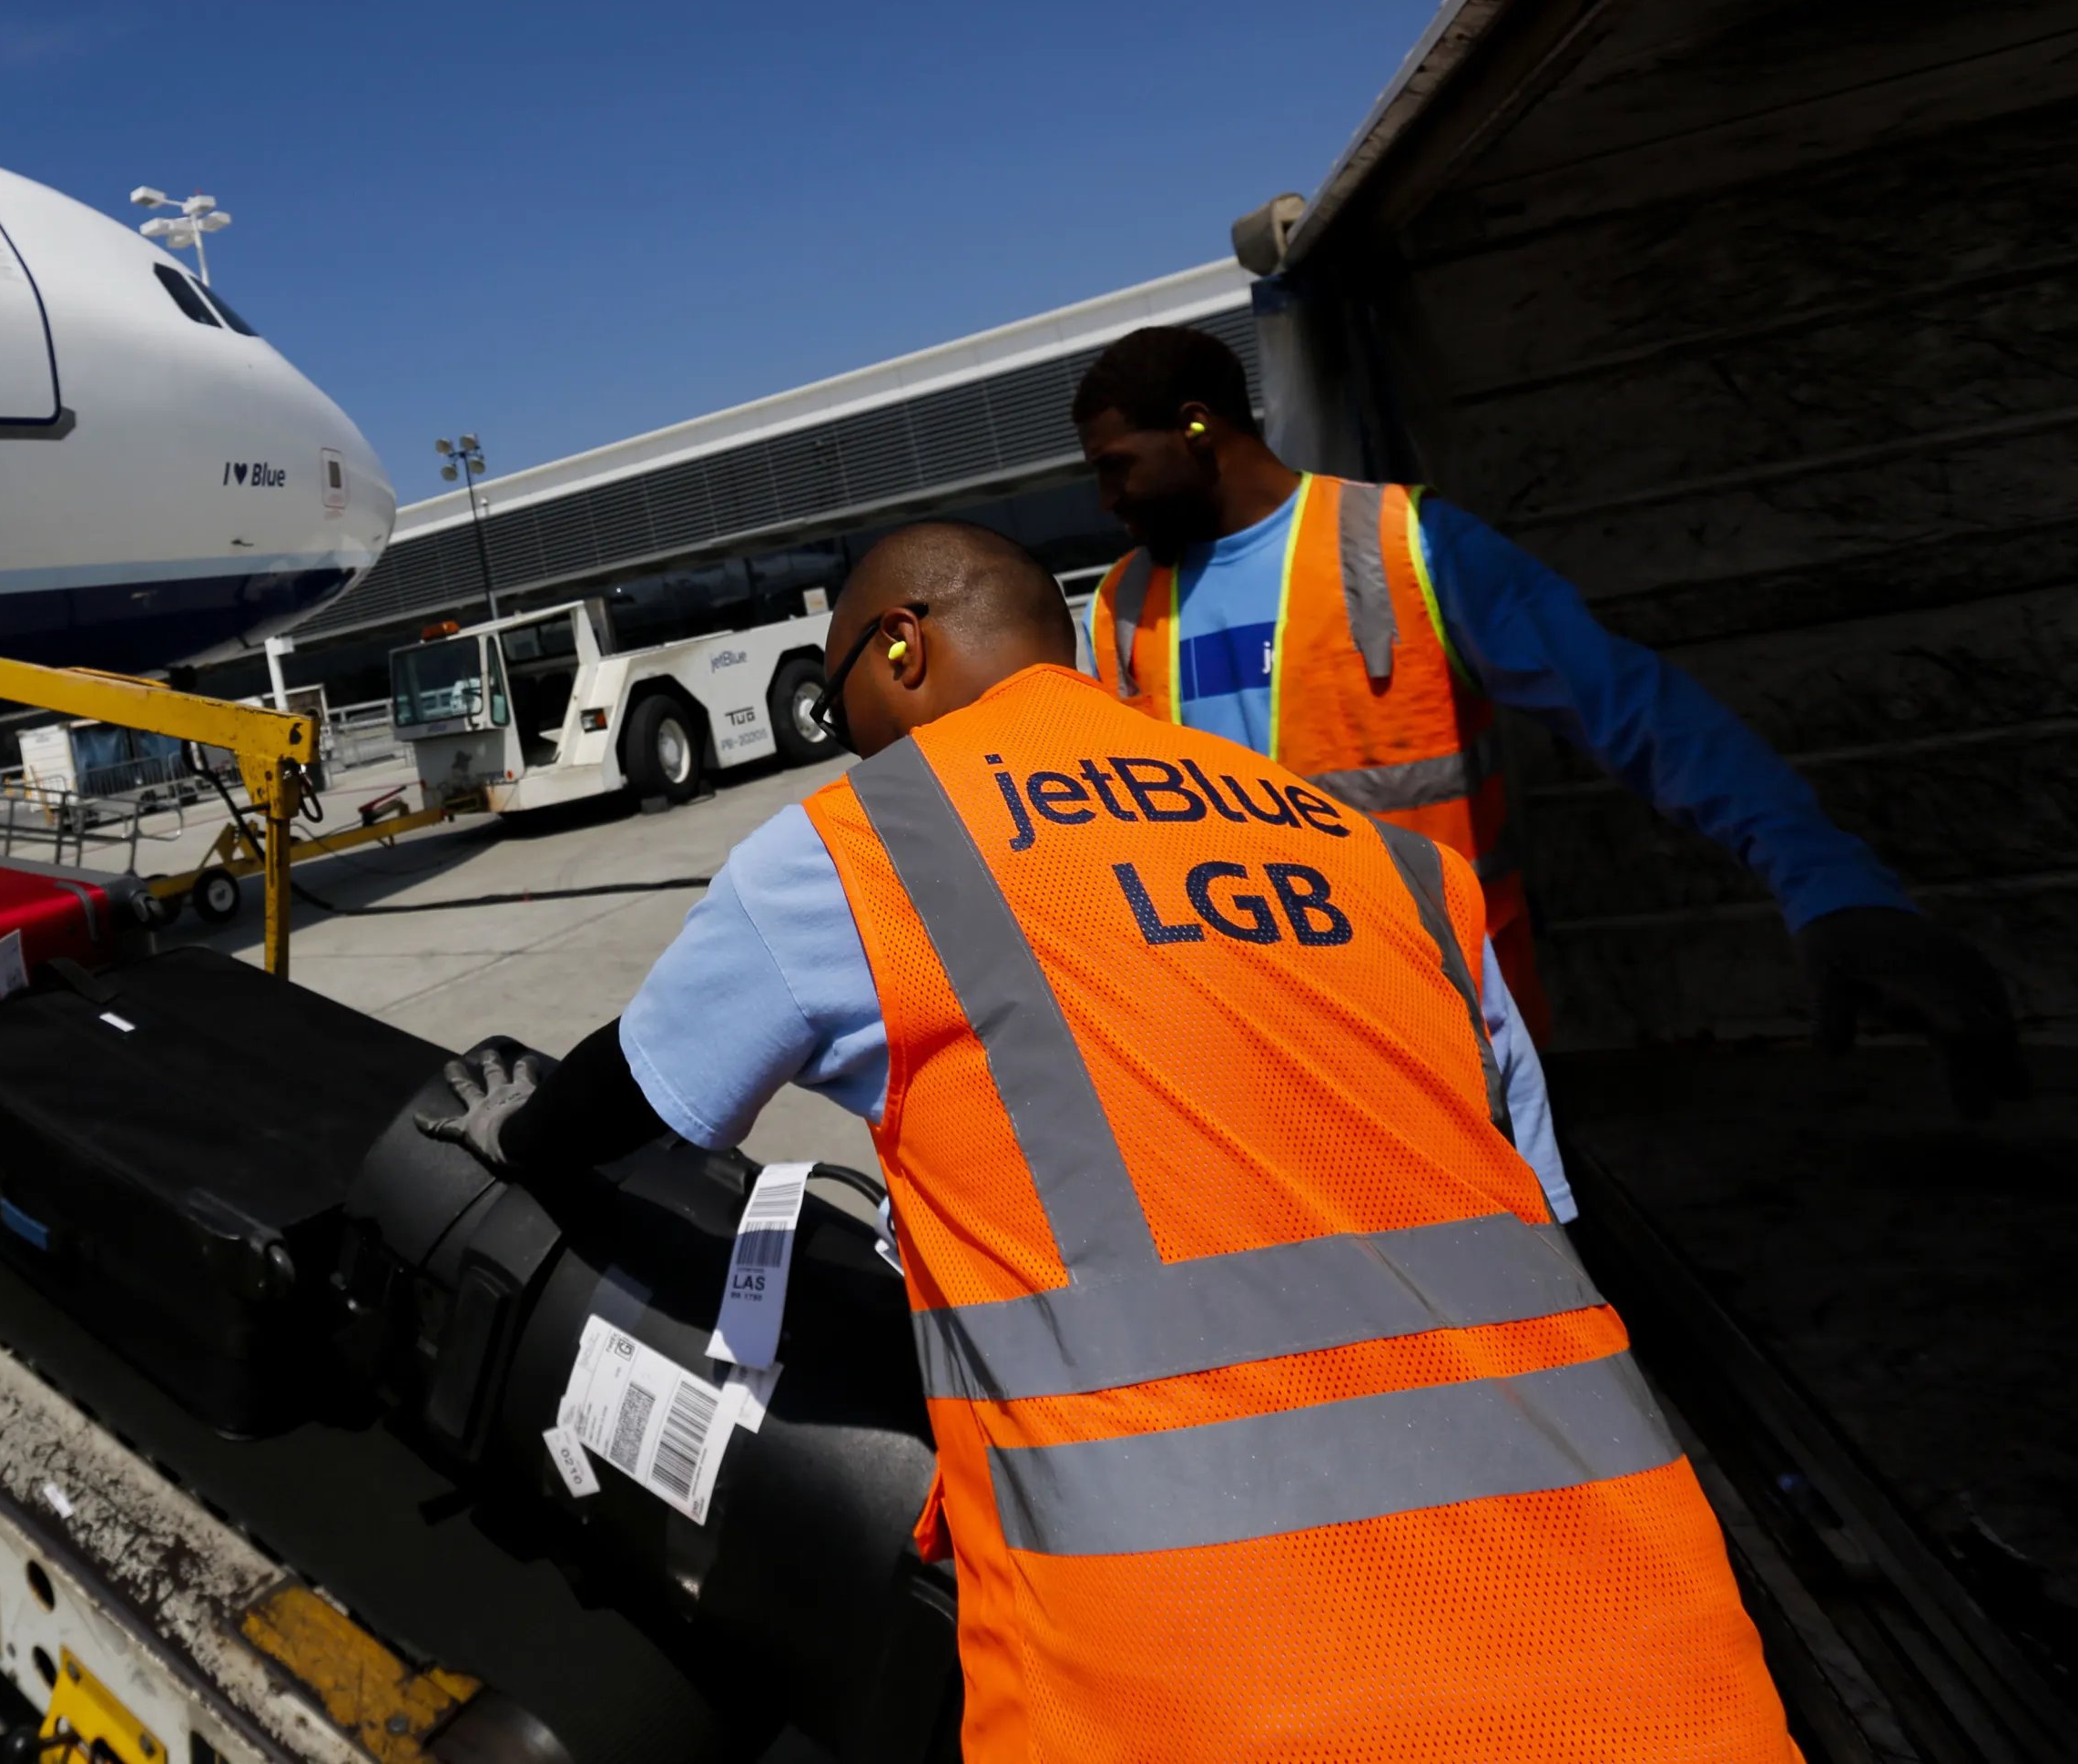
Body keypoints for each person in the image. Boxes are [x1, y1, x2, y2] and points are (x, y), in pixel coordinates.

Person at [421, 522, 1799, 1761]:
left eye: (838, 700)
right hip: (1657, 1648)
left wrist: (517, 1132)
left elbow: (644, 1084)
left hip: (1205, 1678)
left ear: (898, 644)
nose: (845, 739)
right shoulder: (1386, 857)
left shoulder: (871, 841)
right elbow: (1542, 1220)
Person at [1069, 322, 2017, 1111]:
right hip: (1256, 1066)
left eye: (1116, 467)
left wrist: (1833, 887)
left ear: (1197, 426)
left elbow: (1641, 714)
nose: (1108, 501)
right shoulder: (1121, 607)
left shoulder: (1404, 546)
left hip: (1452, 1054)